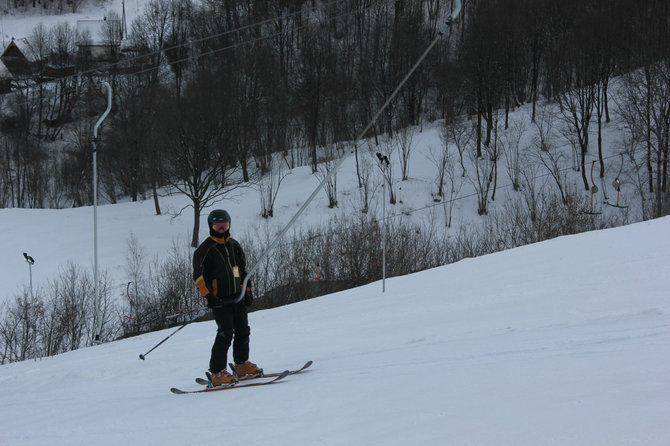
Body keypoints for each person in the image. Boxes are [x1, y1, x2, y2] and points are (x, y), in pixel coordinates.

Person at [192, 209, 261, 386]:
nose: (221, 229)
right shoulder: (205, 250)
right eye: (218, 226)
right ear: (211, 226)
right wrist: (209, 296)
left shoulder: (234, 246)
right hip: (220, 300)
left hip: (236, 298)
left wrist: (247, 291)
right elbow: (199, 277)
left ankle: (241, 365)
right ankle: (217, 372)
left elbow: (244, 271)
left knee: (243, 330)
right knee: (225, 333)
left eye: (224, 225)